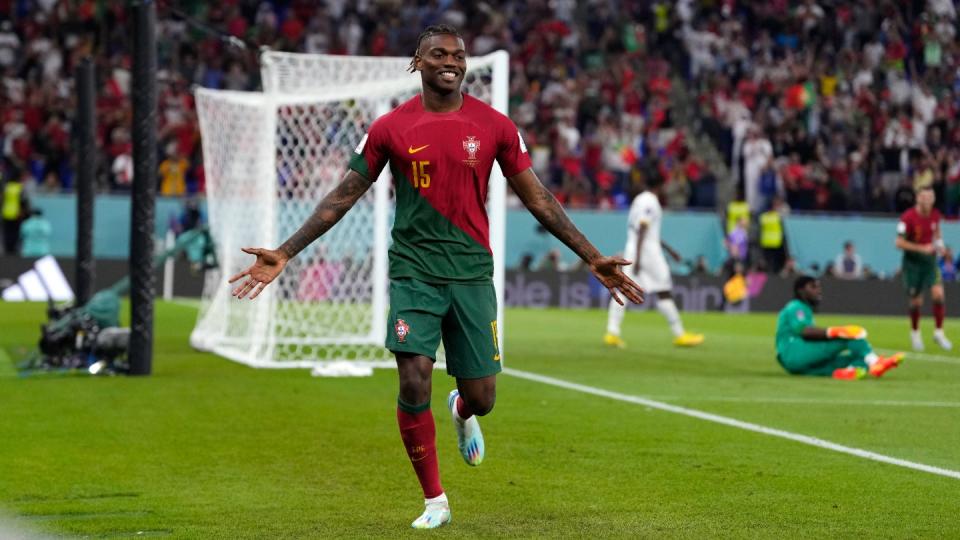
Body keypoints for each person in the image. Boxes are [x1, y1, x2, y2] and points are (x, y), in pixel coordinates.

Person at [228, 25, 644, 530]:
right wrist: (287, 252)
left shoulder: (494, 126)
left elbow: (539, 200)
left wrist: (591, 256)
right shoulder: (389, 128)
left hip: (470, 274)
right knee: (412, 375)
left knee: (484, 398)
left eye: (459, 55)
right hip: (414, 273)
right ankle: (435, 501)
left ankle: (462, 409)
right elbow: (344, 195)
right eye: (440, 54)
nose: (452, 61)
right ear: (417, 62)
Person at [604, 172, 704, 348]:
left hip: (637, 249)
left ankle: (612, 332)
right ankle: (680, 334)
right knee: (663, 290)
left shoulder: (639, 200)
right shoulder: (650, 200)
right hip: (647, 253)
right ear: (660, 184)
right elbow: (642, 228)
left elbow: (647, 230)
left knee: (625, 288)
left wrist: (669, 250)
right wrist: (640, 258)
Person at [776, 276, 904, 379]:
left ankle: (844, 372)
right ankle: (875, 361)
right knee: (852, 335)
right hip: (794, 352)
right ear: (801, 290)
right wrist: (836, 331)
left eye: (819, 287)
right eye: (813, 287)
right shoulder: (796, 306)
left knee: (858, 359)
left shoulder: (804, 308)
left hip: (793, 364)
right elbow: (804, 331)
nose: (818, 290)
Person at [895, 186, 952, 351]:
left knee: (938, 295)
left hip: (929, 263)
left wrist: (940, 247)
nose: (928, 200)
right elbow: (898, 242)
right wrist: (922, 248)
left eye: (931, 197)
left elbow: (937, 235)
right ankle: (915, 333)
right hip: (913, 264)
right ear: (918, 198)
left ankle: (939, 332)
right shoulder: (907, 218)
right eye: (925, 197)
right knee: (916, 301)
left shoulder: (935, 215)